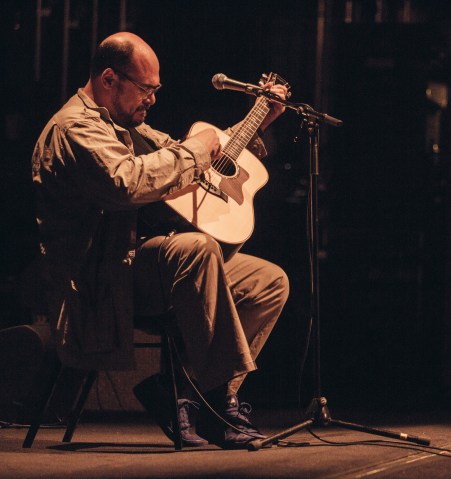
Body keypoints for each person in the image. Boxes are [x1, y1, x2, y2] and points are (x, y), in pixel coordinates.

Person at [31, 31, 290, 449]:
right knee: (196, 249)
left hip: (145, 266)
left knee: (267, 281)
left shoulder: (129, 126)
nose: (152, 99)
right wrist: (195, 150)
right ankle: (216, 407)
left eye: (156, 89)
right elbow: (127, 182)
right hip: (102, 278)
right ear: (109, 79)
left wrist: (256, 122)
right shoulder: (74, 128)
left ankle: (187, 393)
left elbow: (202, 156)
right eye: (145, 88)